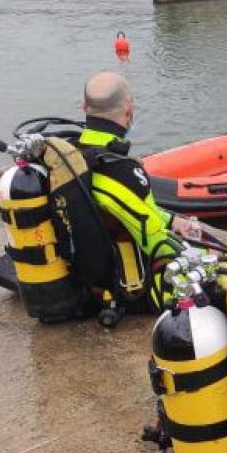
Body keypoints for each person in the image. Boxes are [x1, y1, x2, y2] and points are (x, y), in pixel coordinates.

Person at [78, 71, 201, 310]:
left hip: (84, 271)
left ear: (84, 106)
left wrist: (174, 219)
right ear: (129, 109)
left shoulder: (72, 155)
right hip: (125, 286)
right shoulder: (120, 170)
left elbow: (137, 211)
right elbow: (157, 243)